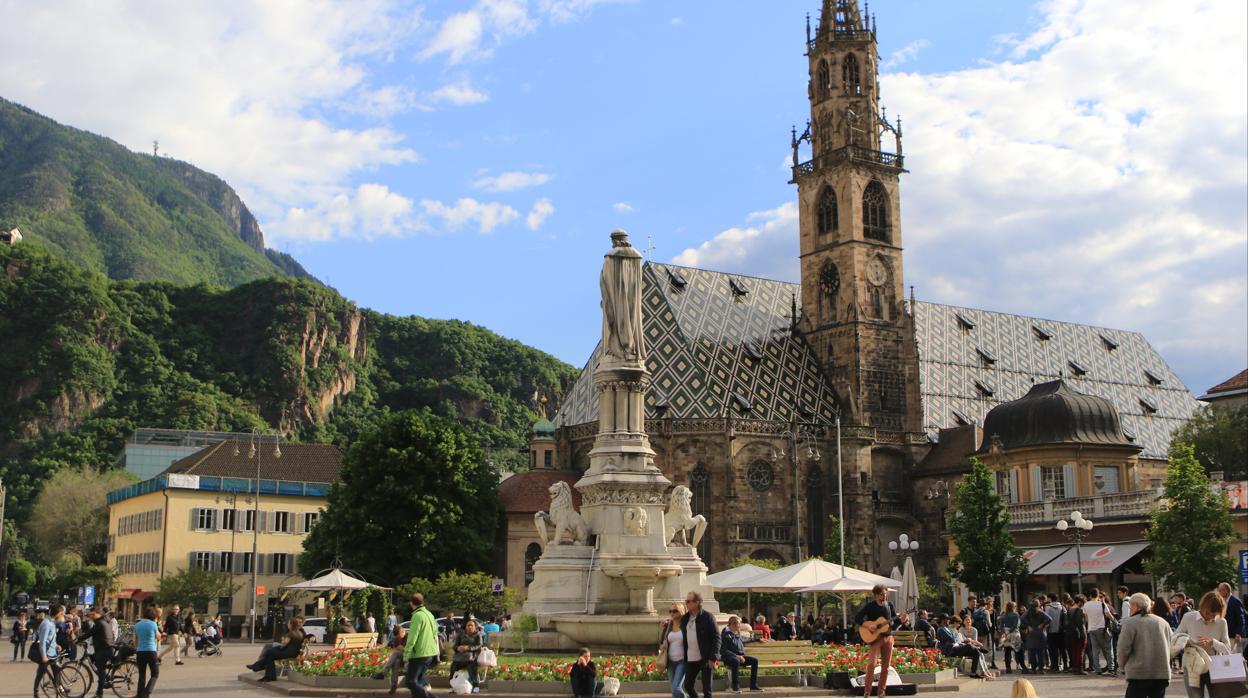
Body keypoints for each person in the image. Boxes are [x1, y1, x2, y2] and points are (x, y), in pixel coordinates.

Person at [1176, 591, 1233, 698]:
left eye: (1214, 615)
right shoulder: (1189, 617)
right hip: (1192, 666)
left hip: (1215, 666)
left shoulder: (1221, 622)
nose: (1210, 617)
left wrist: (1212, 642)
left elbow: (1228, 649)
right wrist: (1189, 642)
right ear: (1202, 607)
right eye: (1208, 613)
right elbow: (1176, 637)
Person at [1116, 593, 1171, 698]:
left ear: (1136, 605)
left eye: (1131, 605)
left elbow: (1123, 648)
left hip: (1139, 673)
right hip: (1161, 673)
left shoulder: (1130, 622)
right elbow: (1170, 645)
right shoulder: (1162, 622)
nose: (1130, 608)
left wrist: (1122, 666)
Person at [854, 584, 898, 697]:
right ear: (876, 595)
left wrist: (901, 620)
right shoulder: (870, 606)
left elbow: (894, 623)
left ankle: (881, 692)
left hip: (888, 638)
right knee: (871, 664)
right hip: (875, 639)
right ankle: (867, 691)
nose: (884, 596)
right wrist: (868, 626)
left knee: (885, 667)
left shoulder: (890, 605)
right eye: (881, 594)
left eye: (885, 594)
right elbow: (857, 618)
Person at [680, 591, 721, 698]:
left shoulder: (708, 617)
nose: (686, 603)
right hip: (691, 658)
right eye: (686, 601)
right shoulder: (685, 619)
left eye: (688, 601)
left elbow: (717, 638)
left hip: (705, 658)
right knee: (688, 685)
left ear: (697, 602)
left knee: (707, 689)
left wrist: (713, 657)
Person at [245, 617, 304, 682]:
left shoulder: (291, 633)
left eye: (288, 623)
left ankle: (259, 666)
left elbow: (284, 643)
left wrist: (283, 640)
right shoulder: (299, 633)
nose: (288, 625)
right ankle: (265, 673)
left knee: (269, 651)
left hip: (287, 652)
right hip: (294, 653)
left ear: (291, 624)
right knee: (270, 656)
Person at [403, 593, 439, 698]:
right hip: (430, 652)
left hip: (419, 653)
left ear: (411, 603)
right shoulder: (429, 614)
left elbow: (412, 637)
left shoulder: (417, 615)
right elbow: (434, 633)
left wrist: (406, 654)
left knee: (410, 682)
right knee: (417, 681)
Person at [936, 614, 990, 678]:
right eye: (947, 620)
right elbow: (953, 639)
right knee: (969, 646)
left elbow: (954, 639)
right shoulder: (941, 629)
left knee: (976, 652)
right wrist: (957, 640)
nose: (949, 621)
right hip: (950, 650)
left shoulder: (945, 629)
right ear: (942, 620)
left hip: (954, 647)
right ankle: (978, 649)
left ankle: (973, 673)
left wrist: (957, 640)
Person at [720, 616, 761, 693]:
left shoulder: (737, 634)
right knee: (736, 661)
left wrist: (758, 639)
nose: (738, 625)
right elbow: (723, 650)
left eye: (739, 623)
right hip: (729, 658)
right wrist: (737, 656)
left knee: (755, 661)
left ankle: (753, 686)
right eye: (737, 623)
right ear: (731, 625)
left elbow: (746, 639)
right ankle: (735, 687)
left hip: (740, 657)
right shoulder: (725, 635)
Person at [33, 603, 65, 697]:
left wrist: (56, 646)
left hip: (52, 653)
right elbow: (42, 641)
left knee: (57, 672)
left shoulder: (52, 622)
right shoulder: (46, 624)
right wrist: (43, 656)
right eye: (62, 613)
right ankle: (36, 692)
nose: (63, 615)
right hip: (46, 654)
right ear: (58, 613)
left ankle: (59, 687)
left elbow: (51, 639)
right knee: (41, 673)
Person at [659, 602, 687, 698]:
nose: (672, 613)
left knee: (676, 688)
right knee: (674, 691)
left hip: (682, 661)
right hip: (670, 662)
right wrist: (662, 646)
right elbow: (662, 641)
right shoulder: (669, 626)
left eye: (675, 611)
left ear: (682, 612)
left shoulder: (686, 626)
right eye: (670, 611)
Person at [134, 605, 162, 698]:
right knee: (155, 673)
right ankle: (146, 692)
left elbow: (135, 640)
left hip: (140, 652)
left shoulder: (137, 625)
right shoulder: (153, 624)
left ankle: (139, 695)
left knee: (142, 675)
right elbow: (158, 637)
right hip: (151, 651)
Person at [1084, 589, 1112, 675]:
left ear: (1090, 595)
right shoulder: (1102, 604)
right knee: (1107, 648)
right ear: (1098, 595)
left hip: (1091, 629)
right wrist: (1115, 621)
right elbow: (1109, 615)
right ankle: (1111, 668)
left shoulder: (1086, 605)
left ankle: (1097, 669)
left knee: (1095, 650)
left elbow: (1086, 617)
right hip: (1101, 628)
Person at [87, 608, 114, 698]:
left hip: (104, 650)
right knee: (92, 658)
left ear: (98, 613)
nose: (91, 616)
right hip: (106, 649)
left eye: (92, 614)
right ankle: (106, 679)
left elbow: (90, 633)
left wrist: (78, 639)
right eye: (90, 615)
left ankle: (99, 693)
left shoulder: (99, 623)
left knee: (101, 671)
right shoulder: (104, 621)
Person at [451, 619, 483, 693]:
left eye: (472, 625)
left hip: (472, 657)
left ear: (474, 627)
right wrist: (458, 648)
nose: (470, 627)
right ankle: (453, 686)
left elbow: (479, 645)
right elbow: (455, 646)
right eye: (468, 625)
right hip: (460, 657)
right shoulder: (461, 635)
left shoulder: (478, 635)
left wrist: (469, 648)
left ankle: (476, 686)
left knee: (471, 667)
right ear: (466, 627)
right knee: (453, 666)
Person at [1216, 582, 1246, 652]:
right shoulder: (1222, 601)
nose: (1220, 592)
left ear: (1227, 590)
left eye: (1221, 590)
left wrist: (1238, 633)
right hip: (1225, 634)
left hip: (1233, 635)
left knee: (1234, 656)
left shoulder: (1235, 601)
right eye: (1219, 590)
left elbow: (1241, 618)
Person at [1021, 600, 1048, 674]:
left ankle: (1033, 668)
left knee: (1032, 651)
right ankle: (1041, 668)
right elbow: (1049, 619)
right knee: (1040, 652)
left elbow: (1022, 618)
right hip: (1040, 633)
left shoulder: (1027, 612)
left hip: (1031, 633)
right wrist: (1042, 624)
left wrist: (1028, 625)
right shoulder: (1041, 612)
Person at [1065, 594, 1088, 675]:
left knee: (1074, 650)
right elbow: (1081, 623)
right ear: (1080, 602)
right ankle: (1080, 668)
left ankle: (1075, 667)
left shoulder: (1069, 610)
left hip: (1071, 633)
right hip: (1081, 632)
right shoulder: (1080, 611)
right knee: (1080, 651)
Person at [998, 601, 1023, 673]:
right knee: (1018, 651)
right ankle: (1022, 666)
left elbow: (1001, 625)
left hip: (1006, 634)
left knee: (1007, 651)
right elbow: (1016, 625)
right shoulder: (1016, 615)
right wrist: (1011, 630)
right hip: (1014, 633)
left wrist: (1004, 632)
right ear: (1013, 607)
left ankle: (1008, 667)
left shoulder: (1004, 615)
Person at [1043, 594, 1066, 673]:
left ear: (1050, 598)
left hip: (1051, 631)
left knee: (1052, 650)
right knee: (1061, 649)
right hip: (1060, 631)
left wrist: (1045, 629)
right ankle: (1064, 665)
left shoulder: (1048, 607)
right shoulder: (1062, 607)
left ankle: (1054, 666)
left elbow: (1047, 619)